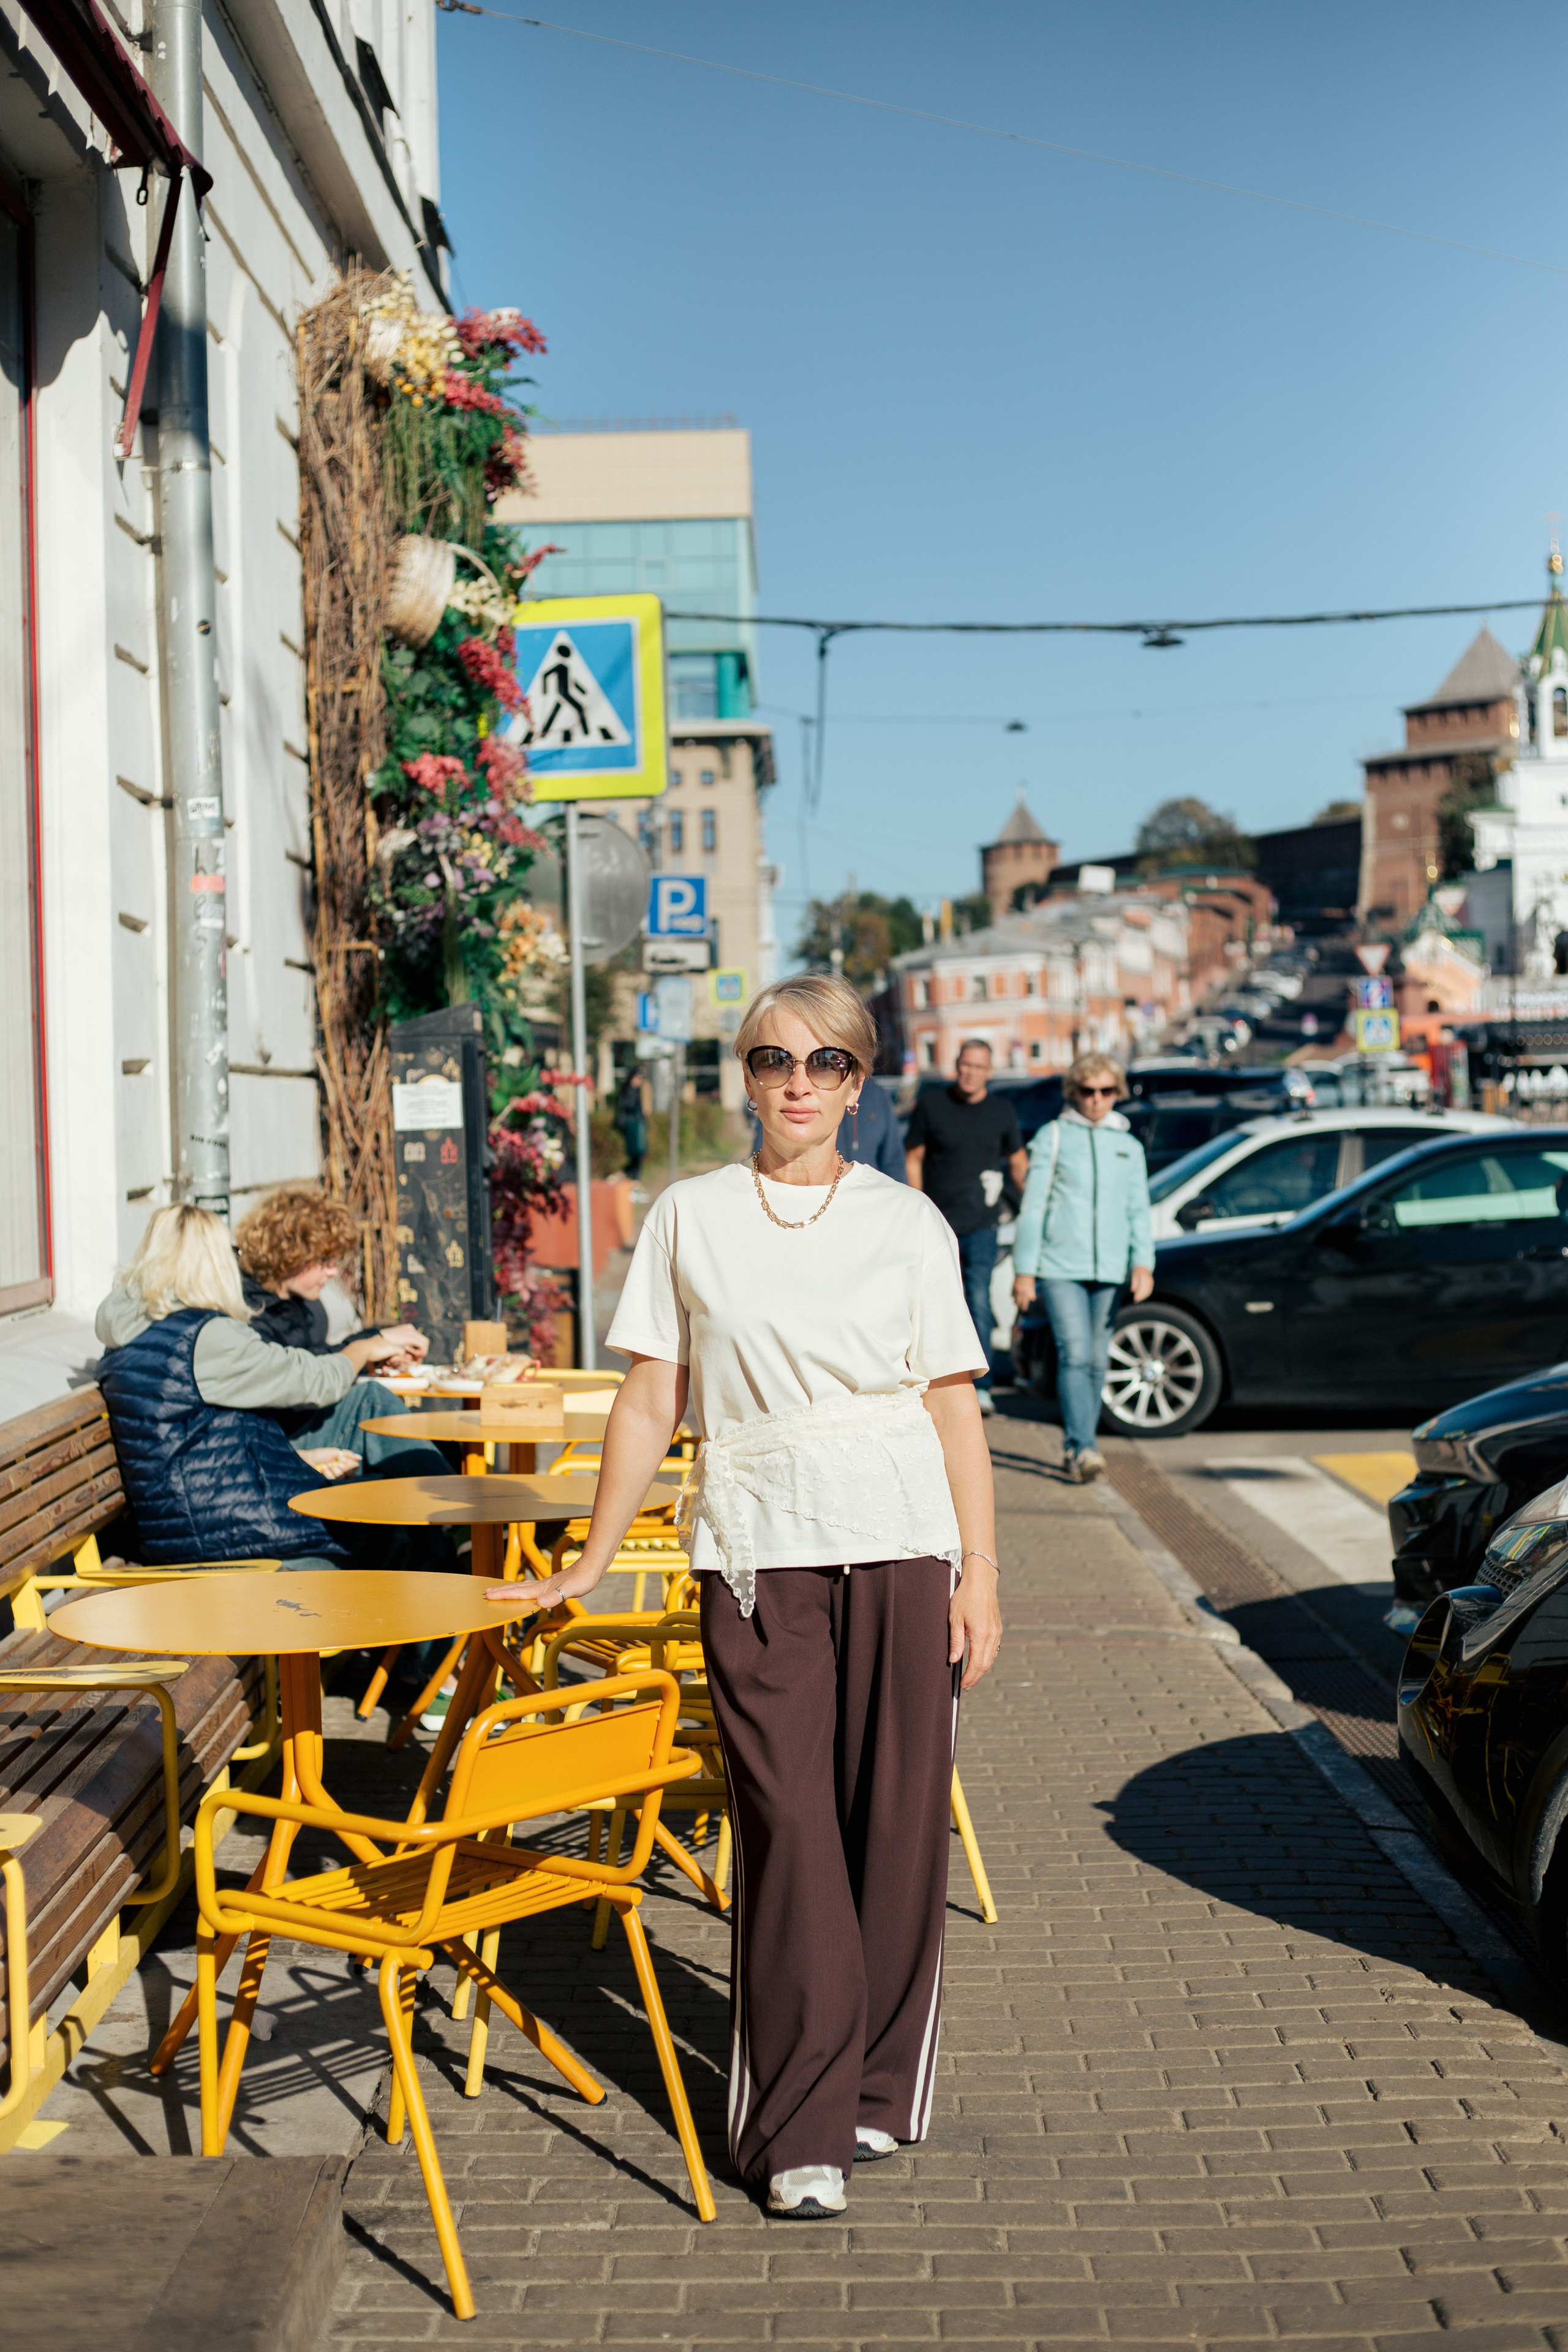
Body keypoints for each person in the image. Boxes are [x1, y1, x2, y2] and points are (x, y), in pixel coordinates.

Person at [488, 973, 1003, 2220]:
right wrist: (597, 1553)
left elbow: (949, 1403)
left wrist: (981, 1571)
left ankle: (878, 2089)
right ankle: (795, 2128)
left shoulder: (906, 1224)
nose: (796, 1083)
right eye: (773, 1058)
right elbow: (651, 1400)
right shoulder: (690, 1217)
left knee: (892, 1829)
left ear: (857, 1082)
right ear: (746, 1074)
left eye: (824, 1063)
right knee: (787, 1832)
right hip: (756, 1542)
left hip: (899, 1538)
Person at [95, 1204, 452, 1566]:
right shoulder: (205, 1337)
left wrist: (297, 1457)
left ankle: (459, 1528)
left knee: (385, 1491)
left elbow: (201, 1437)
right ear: (210, 1262)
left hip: (203, 1513)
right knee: (394, 1526)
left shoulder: (129, 1333)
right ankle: (465, 1546)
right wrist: (362, 1348)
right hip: (227, 1531)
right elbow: (315, 1382)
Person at [1010, 1053, 1153, 1483]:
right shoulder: (1053, 1137)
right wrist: (1024, 1270)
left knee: (1095, 1359)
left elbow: (1138, 1211)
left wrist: (1143, 1261)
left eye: (1106, 1091)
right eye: (1088, 1092)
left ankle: (1081, 1444)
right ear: (1075, 1093)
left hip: (1109, 1268)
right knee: (1074, 1353)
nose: (1096, 1100)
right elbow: (1033, 1208)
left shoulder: (1128, 1147)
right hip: (1059, 1266)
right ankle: (1082, 1445)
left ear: (1117, 1094)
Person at [904, 1039, 1027, 1414]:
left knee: (978, 1300)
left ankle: (982, 1386)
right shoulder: (933, 1106)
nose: (971, 1072)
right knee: (933, 1302)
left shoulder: (1002, 1111)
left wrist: (1030, 1205)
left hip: (982, 1224)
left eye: (979, 1067)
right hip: (938, 1225)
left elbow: (1019, 1161)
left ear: (990, 1072)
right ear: (956, 1066)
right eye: (965, 1065)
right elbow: (914, 1158)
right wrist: (916, 1207)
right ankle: (935, 1379)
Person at [235, 1188, 428, 1365]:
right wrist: (371, 1344)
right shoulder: (248, 1312)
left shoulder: (303, 1304)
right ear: (291, 1254)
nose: (333, 1271)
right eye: (325, 1260)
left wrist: (376, 1354)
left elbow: (318, 1360)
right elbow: (300, 1374)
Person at [612, 1070, 650, 1183]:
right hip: (633, 1126)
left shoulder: (636, 1090)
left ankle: (629, 1176)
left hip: (637, 1124)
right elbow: (627, 1107)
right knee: (637, 1153)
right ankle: (631, 1177)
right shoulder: (628, 1091)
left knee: (640, 1154)